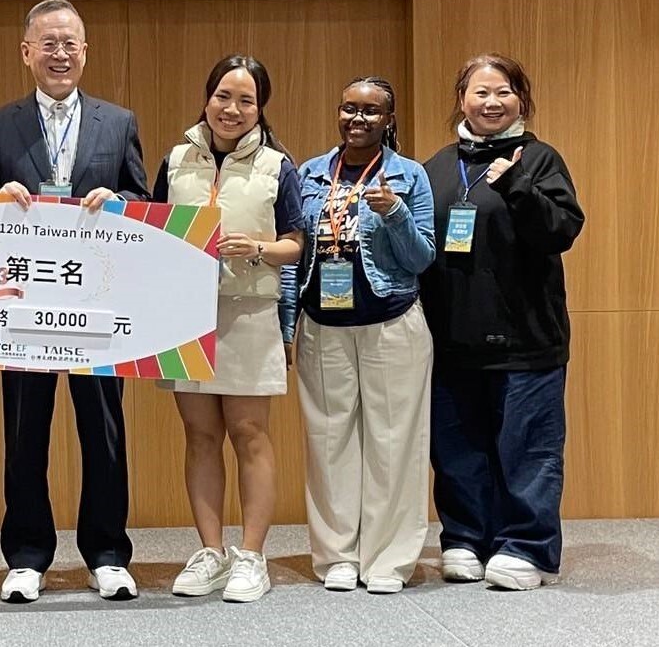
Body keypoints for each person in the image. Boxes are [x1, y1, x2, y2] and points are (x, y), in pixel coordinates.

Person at [0, 0, 149, 603]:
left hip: (94, 302)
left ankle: (106, 553)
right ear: (27, 52)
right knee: (24, 432)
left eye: (70, 42)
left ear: (86, 50)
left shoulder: (117, 121)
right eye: (48, 43)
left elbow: (141, 203)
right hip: (24, 304)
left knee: (104, 430)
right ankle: (26, 554)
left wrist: (117, 203)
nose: (60, 53)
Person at [420, 53, 583, 591]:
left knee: (527, 445)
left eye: (504, 92)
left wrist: (516, 185)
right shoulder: (437, 167)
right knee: (457, 446)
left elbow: (561, 230)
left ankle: (525, 546)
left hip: (527, 339)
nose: (492, 102)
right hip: (452, 339)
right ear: (461, 100)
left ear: (521, 99)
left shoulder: (539, 159)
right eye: (480, 92)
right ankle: (466, 537)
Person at [152, 55, 303, 602]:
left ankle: (252, 556)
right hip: (186, 316)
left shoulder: (277, 166)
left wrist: (259, 249)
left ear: (260, 107)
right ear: (207, 97)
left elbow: (296, 242)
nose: (232, 109)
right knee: (200, 435)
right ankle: (210, 552)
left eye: (246, 100)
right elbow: (150, 225)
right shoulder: (176, 159)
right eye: (223, 96)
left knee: (248, 433)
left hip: (247, 313)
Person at [281, 76, 435, 595]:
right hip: (322, 326)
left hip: (392, 322)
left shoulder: (408, 176)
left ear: (390, 120)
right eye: (349, 108)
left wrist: (393, 215)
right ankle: (337, 556)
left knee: (394, 443)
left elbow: (422, 258)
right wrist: (286, 323)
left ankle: (389, 559)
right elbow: (293, 253)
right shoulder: (307, 174)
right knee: (328, 444)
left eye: (372, 111)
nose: (358, 119)